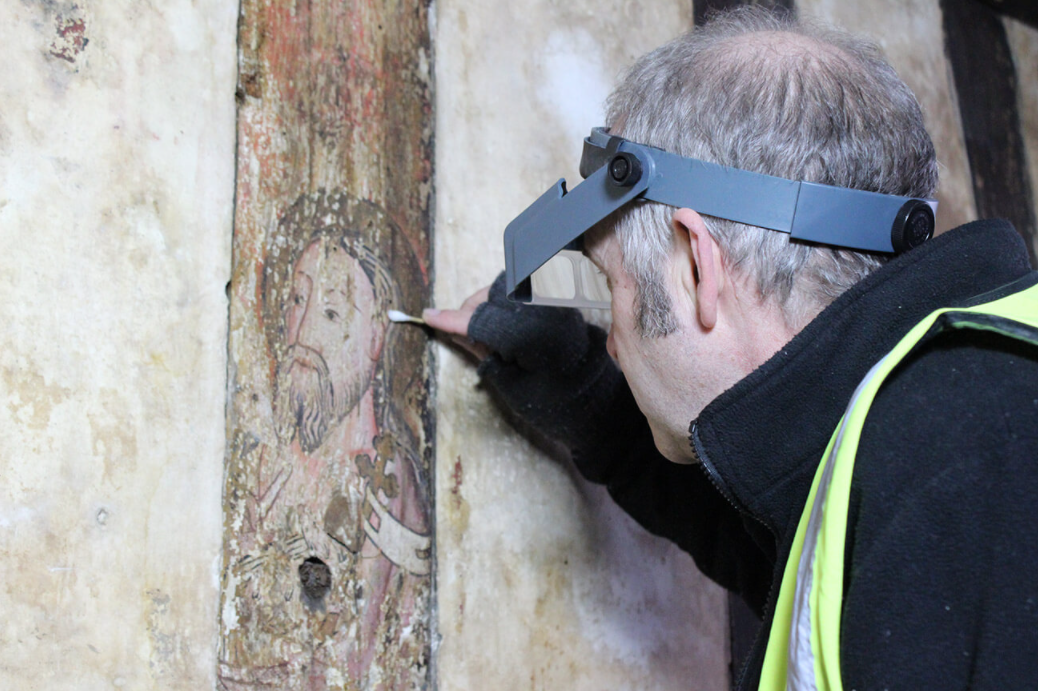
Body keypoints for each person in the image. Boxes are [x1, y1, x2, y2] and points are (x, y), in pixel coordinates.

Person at [424, 9, 1038, 691]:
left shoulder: (969, 463)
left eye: (613, 284)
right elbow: (787, 538)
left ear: (697, 267)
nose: (616, 334)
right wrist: (586, 392)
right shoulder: (946, 442)